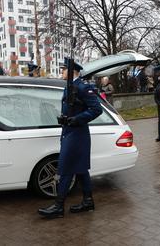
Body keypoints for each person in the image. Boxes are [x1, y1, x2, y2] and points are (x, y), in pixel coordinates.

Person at [38, 58, 103, 219]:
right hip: (69, 132)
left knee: (65, 167)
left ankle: (59, 207)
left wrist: (77, 119)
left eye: (63, 70)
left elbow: (96, 109)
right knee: (80, 169)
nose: (62, 72)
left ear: (71, 72)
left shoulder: (82, 87)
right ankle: (88, 201)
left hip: (77, 134)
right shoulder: (70, 87)